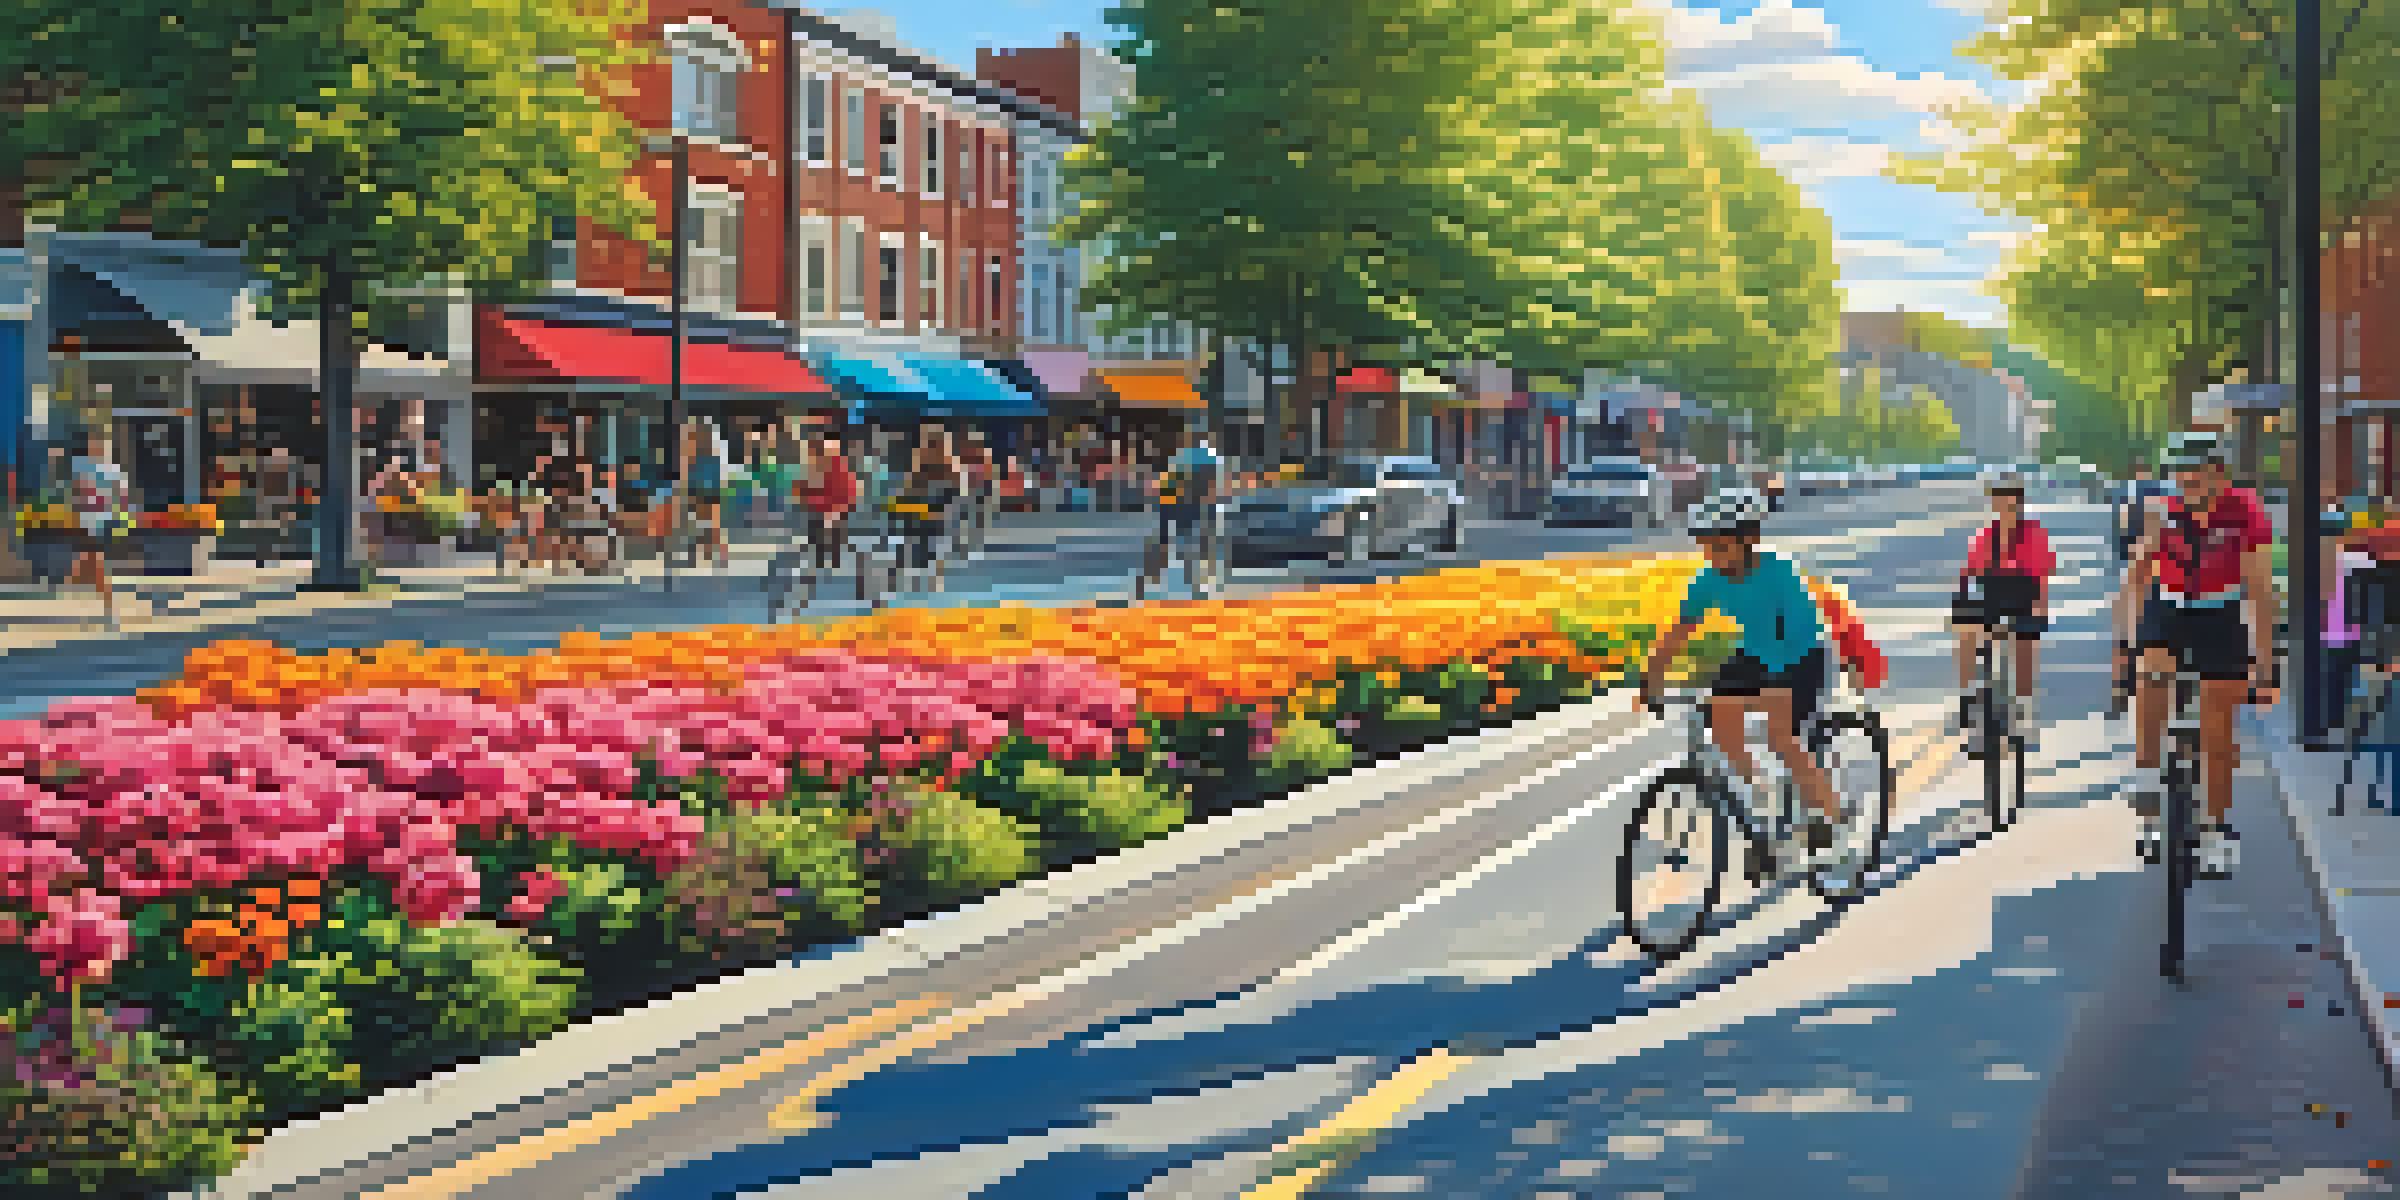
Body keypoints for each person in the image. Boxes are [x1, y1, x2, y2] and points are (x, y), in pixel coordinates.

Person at [1639, 487, 1847, 866]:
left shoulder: (1778, 572)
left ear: (1749, 540)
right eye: (1707, 545)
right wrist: (1652, 679)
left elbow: (1798, 633)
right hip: (1754, 654)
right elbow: (1678, 633)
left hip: (1802, 655)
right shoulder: (1709, 580)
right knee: (1721, 726)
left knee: (1779, 736)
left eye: (1721, 545)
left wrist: (1771, 694)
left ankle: (1833, 825)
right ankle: (1765, 811)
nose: (1713, 554)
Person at [2114, 429, 2279, 877]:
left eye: (2199, 477)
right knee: (2150, 679)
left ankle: (2215, 828)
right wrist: (2125, 649)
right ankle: (2148, 789)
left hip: (2220, 614)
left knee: (2218, 732)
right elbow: (2134, 580)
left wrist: (2266, 664)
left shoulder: (2245, 511)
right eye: (2181, 477)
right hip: (2166, 608)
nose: (2189, 485)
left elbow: (2260, 591)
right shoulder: (2159, 512)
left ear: (2221, 477)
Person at [1952, 472, 2055, 741]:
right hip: (1991, 594)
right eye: (2001, 501)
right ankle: (1969, 697)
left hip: (2024, 594)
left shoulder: (2035, 534)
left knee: (2025, 643)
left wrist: (2040, 608)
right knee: (1965, 633)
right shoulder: (1985, 535)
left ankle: (2024, 708)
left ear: (2020, 503)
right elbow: (1969, 577)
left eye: (2012, 501)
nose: (2007, 507)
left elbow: (2041, 578)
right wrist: (1962, 611)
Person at [66, 431, 130, 629]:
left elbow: (122, 497)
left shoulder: (112, 471)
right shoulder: (83, 467)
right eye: (94, 444)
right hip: (87, 524)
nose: (97, 448)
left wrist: (121, 518)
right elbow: (77, 494)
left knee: (97, 566)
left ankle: (110, 611)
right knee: (91, 565)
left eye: (100, 445)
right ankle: (105, 603)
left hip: (103, 524)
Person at [799, 434, 859, 573]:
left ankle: (833, 561)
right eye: (828, 445)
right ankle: (821, 561)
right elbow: (808, 484)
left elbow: (849, 486)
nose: (830, 448)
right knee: (818, 534)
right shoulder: (816, 464)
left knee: (834, 535)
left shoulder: (842, 465)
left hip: (835, 507)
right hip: (819, 507)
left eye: (833, 445)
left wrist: (844, 506)